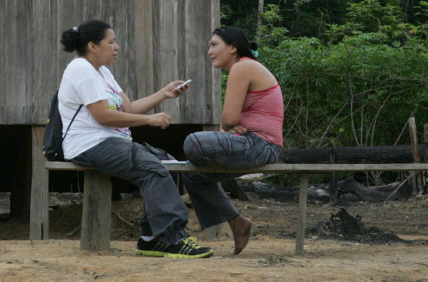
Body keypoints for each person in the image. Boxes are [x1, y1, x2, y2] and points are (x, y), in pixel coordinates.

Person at [57, 19, 213, 259]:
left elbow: (128, 107)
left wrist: (164, 93)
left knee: (166, 163)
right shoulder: (81, 69)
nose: (117, 46)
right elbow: (103, 116)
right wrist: (150, 121)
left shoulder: (103, 71)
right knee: (152, 169)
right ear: (93, 46)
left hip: (110, 141)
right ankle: (173, 238)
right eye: (111, 42)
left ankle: (151, 239)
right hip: (89, 143)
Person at [182, 26, 284, 255]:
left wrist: (229, 125)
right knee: (190, 173)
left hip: (261, 145)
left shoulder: (243, 66)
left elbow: (228, 119)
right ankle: (236, 222)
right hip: (252, 144)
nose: (210, 51)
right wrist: (229, 126)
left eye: (214, 45)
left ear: (233, 47)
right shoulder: (241, 68)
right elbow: (226, 124)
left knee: (192, 142)